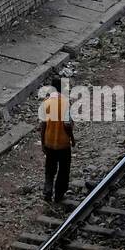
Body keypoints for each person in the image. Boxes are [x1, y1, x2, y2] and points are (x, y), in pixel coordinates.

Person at [40, 75, 74, 203]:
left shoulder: (46, 103)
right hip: (63, 144)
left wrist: (43, 142)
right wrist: (72, 138)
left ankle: (48, 190)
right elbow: (67, 125)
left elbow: (42, 125)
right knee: (63, 170)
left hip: (49, 142)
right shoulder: (65, 103)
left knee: (50, 168)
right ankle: (59, 195)